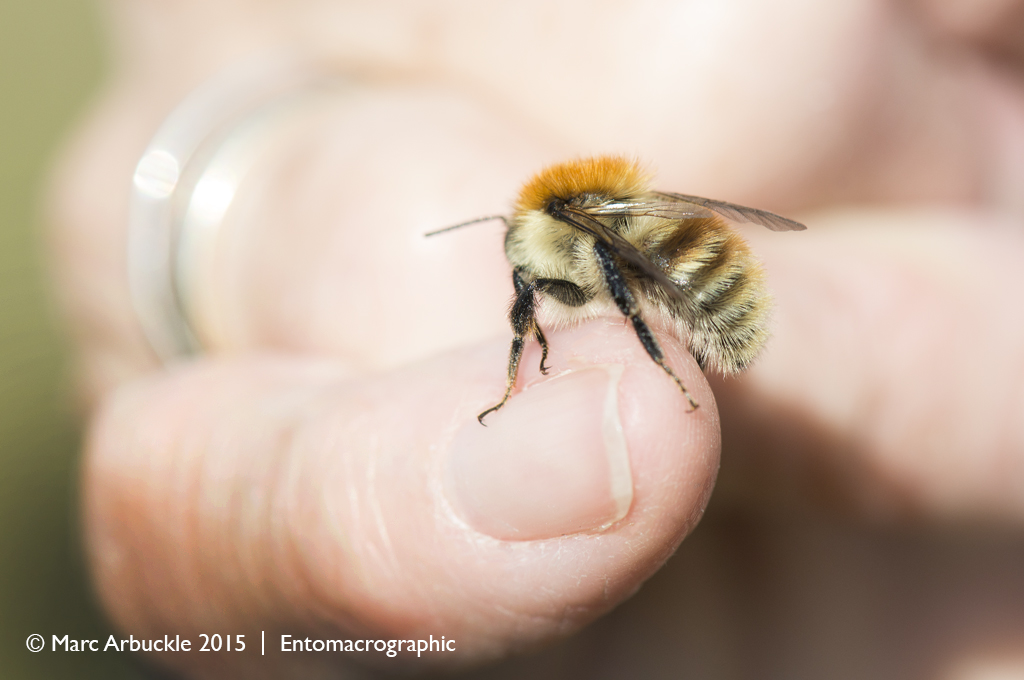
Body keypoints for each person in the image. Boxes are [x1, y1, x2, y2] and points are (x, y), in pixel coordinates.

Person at [48, 1, 1024, 677]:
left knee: (633, 287)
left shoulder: (574, 236)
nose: (524, 271)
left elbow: (609, 276)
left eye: (526, 254)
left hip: (692, 292)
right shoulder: (601, 211)